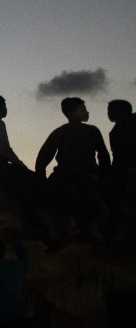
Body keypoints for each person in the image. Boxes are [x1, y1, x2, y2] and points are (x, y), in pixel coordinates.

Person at [35, 97, 110, 243]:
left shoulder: (90, 131)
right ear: (71, 113)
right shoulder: (64, 132)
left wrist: (104, 172)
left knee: (88, 195)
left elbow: (103, 154)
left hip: (84, 174)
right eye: (82, 109)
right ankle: (80, 226)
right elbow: (45, 155)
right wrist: (41, 174)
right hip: (69, 175)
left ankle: (86, 226)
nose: (87, 112)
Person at [0, 94, 48, 238]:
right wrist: (20, 165)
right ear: (1, 107)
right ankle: (37, 227)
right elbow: (4, 149)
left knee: (25, 184)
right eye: (5, 105)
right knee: (26, 189)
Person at [105, 100, 135, 240]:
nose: (108, 113)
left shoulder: (126, 127)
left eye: (110, 110)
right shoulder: (116, 131)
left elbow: (124, 154)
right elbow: (118, 156)